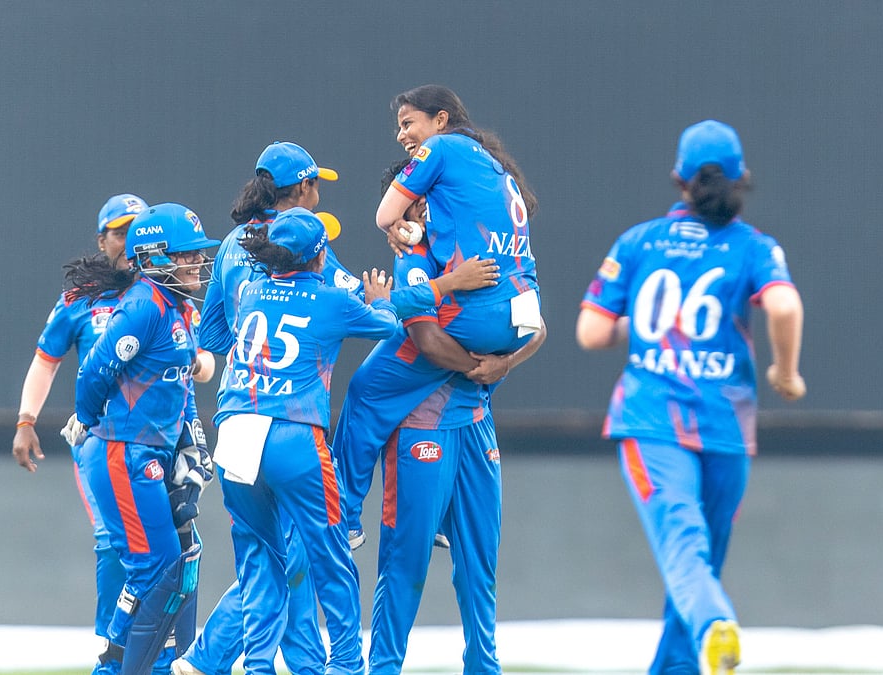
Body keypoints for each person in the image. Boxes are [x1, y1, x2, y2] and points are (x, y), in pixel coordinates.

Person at [576, 120, 806, 675]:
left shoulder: (640, 241)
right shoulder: (754, 247)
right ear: (741, 180)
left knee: (684, 549)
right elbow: (783, 307)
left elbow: (591, 332)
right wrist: (786, 372)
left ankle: (713, 626)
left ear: (680, 179)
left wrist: (649, 327)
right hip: (727, 428)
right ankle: (693, 650)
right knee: (702, 559)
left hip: (652, 418)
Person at [336, 84, 543, 546]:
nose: (401, 135)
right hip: (518, 319)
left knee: (368, 392)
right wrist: (498, 364)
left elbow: (422, 332)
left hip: (463, 330)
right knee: (460, 402)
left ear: (441, 121)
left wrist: (398, 239)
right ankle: (447, 514)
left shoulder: (437, 173)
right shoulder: (493, 175)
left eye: (408, 123)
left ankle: (345, 514)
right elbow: (540, 329)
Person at [12, 193, 217, 655]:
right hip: (108, 438)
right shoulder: (82, 299)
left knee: (177, 546)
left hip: (164, 434)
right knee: (115, 540)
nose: (124, 241)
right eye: (117, 232)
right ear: (102, 239)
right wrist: (27, 419)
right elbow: (49, 362)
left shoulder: (169, 293)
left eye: (133, 230)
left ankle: (165, 650)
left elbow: (198, 364)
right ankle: (114, 644)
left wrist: (195, 371)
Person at [365, 171, 546, 674]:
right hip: (422, 427)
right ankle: (383, 667)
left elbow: (536, 326)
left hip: (475, 424)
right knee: (407, 558)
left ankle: (483, 667)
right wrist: (479, 366)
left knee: (479, 560)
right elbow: (425, 340)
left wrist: (505, 364)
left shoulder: (484, 256)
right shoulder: (415, 258)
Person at [209, 207, 398, 675]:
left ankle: (257, 667)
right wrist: (382, 300)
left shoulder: (250, 291)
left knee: (259, 558)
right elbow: (389, 328)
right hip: (292, 435)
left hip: (233, 431)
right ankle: (348, 665)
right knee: (329, 554)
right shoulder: (330, 299)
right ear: (319, 257)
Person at [69, 202, 221, 675]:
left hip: (145, 452)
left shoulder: (177, 306)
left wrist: (191, 443)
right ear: (156, 259)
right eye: (187, 255)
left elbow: (181, 385)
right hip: (123, 451)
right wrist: (94, 422)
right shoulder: (143, 306)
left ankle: (141, 665)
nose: (198, 262)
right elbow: (93, 371)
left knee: (179, 560)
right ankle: (124, 669)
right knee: (155, 567)